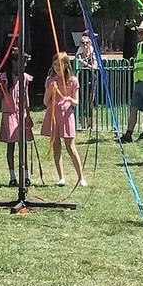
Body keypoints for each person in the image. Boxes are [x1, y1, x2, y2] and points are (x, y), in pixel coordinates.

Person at [41, 52, 87, 187]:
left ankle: (81, 178)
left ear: (66, 64)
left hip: (66, 115)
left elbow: (77, 102)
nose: (57, 67)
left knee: (71, 147)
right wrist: (51, 88)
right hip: (53, 114)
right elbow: (45, 101)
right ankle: (61, 177)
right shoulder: (50, 80)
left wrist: (70, 99)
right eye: (55, 64)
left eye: (60, 64)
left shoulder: (72, 80)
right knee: (56, 146)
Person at [0, 49, 32, 186]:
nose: (24, 65)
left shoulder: (24, 78)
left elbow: (26, 97)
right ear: (14, 62)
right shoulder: (4, 78)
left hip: (21, 114)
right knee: (11, 146)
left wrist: (28, 115)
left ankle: (26, 176)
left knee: (23, 146)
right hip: (9, 114)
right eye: (22, 61)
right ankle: (12, 176)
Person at [75, 33, 99, 132]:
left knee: (90, 100)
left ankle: (90, 124)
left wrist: (88, 65)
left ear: (90, 43)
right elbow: (78, 62)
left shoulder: (92, 54)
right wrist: (88, 65)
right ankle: (82, 123)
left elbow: (95, 66)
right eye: (82, 43)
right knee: (81, 100)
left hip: (91, 78)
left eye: (87, 43)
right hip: (82, 77)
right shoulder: (79, 54)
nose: (85, 45)